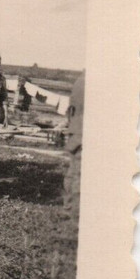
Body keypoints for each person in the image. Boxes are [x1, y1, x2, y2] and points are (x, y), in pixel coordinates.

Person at [63, 72, 85, 216]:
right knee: (79, 171)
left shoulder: (79, 81)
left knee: (73, 170)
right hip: (83, 130)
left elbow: (70, 109)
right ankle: (75, 211)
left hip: (75, 129)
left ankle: (68, 206)